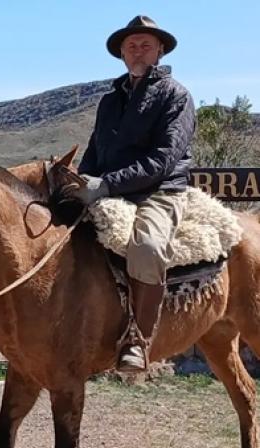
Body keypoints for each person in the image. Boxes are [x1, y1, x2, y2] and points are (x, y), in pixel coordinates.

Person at [73, 16, 196, 372]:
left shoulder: (177, 96)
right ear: (122, 54)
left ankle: (138, 341)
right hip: (110, 188)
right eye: (131, 46)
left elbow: (162, 160)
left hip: (158, 192)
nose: (138, 51)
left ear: (159, 50)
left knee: (147, 247)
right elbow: (95, 152)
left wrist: (107, 184)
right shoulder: (110, 101)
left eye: (145, 45)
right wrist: (82, 183)